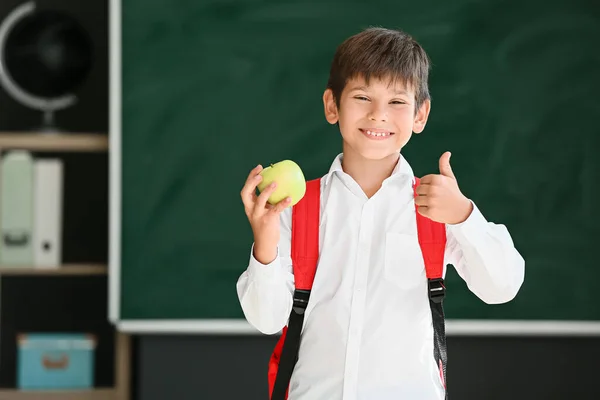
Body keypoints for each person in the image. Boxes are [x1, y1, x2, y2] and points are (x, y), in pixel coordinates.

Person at [237, 27, 525, 400]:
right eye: (362, 97)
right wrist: (265, 242)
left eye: (397, 102)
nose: (378, 115)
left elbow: (502, 287)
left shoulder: (439, 206)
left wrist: (464, 216)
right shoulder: (297, 207)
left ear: (421, 115)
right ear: (331, 106)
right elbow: (267, 319)